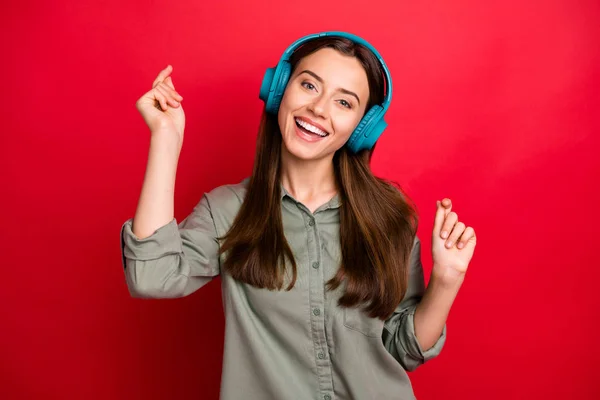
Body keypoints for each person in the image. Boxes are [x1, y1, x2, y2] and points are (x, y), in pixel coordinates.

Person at [120, 31, 477, 400]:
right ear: (279, 90)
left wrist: (447, 280)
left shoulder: (389, 218)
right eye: (309, 85)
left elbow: (404, 349)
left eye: (344, 102)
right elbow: (150, 276)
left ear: (362, 128)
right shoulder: (227, 210)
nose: (319, 109)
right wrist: (166, 137)